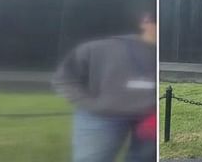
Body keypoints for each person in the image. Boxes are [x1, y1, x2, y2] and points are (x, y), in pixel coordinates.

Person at [51, 11, 157, 162]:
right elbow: (64, 78)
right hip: (102, 117)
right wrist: (90, 104)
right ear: (146, 22)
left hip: (150, 118)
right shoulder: (100, 48)